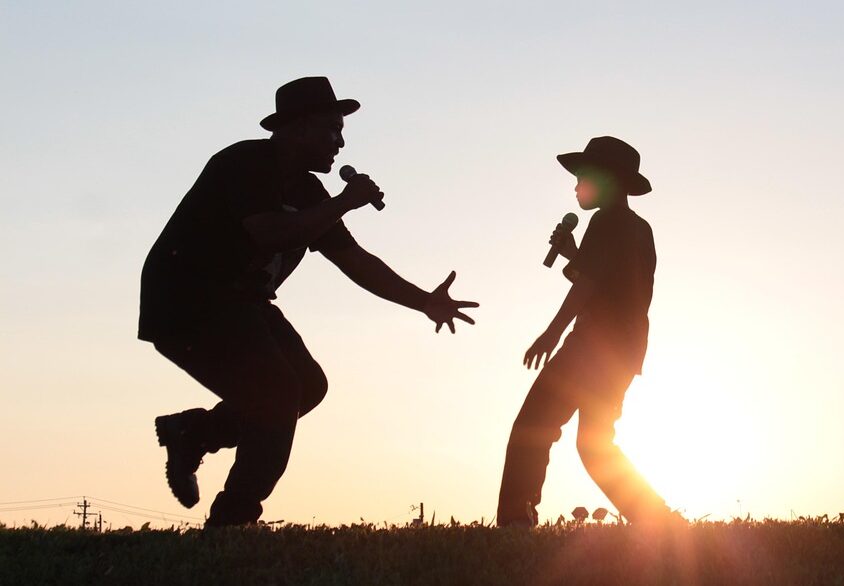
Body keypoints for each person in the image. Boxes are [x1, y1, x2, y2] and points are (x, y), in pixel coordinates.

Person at [139, 77, 477, 527]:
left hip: (243, 304)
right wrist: (343, 203)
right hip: (187, 303)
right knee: (277, 394)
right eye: (331, 129)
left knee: (307, 387)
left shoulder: (308, 193)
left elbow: (355, 260)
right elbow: (272, 231)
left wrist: (425, 302)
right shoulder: (244, 163)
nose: (340, 142)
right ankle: (232, 523)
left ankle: (194, 432)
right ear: (297, 129)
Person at [496, 136, 675, 527]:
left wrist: (551, 334)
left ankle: (515, 521)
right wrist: (572, 254)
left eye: (583, 176)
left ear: (608, 180)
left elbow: (588, 287)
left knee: (532, 427)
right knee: (594, 445)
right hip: (624, 352)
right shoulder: (636, 228)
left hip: (592, 348)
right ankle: (658, 519)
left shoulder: (607, 221)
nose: (576, 185)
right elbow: (607, 282)